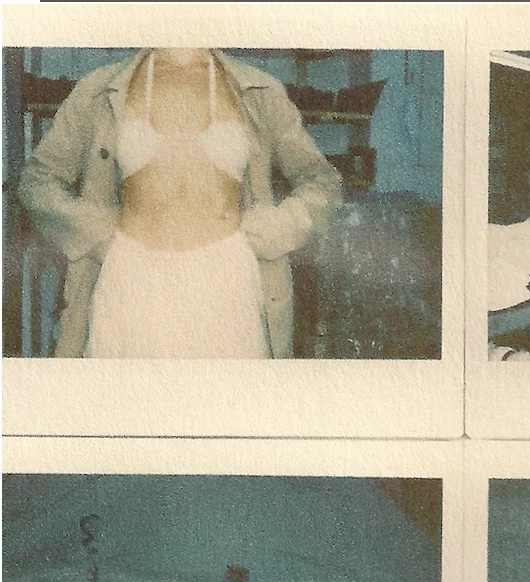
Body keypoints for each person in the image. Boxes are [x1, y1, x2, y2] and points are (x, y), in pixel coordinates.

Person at [18, 47, 342, 357]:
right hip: (131, 278)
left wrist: (283, 225)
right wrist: (91, 230)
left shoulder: (259, 91)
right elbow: (37, 180)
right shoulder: (99, 89)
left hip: (227, 281)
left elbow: (323, 181)